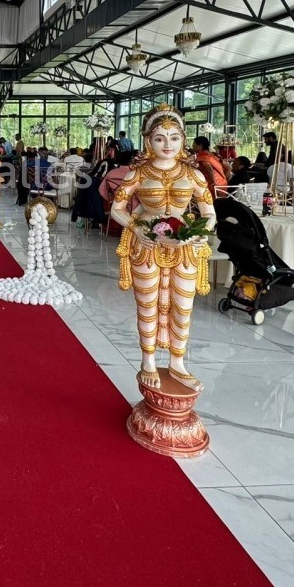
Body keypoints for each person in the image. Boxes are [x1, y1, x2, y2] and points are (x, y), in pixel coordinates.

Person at [110, 106, 216, 392]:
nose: (167, 144)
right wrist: (136, 228)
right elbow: (117, 208)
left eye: (174, 138)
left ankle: (177, 363)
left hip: (184, 244)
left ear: (183, 140)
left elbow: (209, 213)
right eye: (159, 138)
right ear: (148, 141)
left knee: (183, 305)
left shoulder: (193, 174)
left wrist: (199, 233)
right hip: (147, 243)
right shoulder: (137, 173)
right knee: (147, 303)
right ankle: (148, 361)